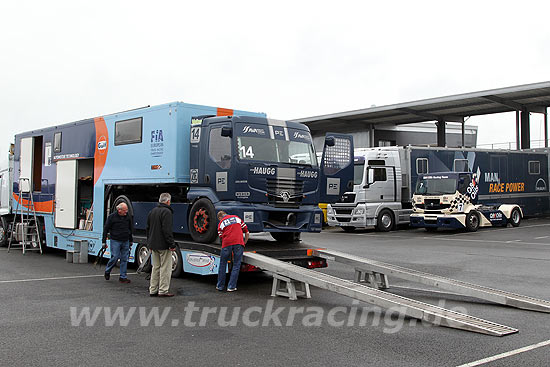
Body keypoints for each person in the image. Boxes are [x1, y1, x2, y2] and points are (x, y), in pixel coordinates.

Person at [146, 193, 176, 297]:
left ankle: (153, 289)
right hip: (163, 244)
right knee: (165, 268)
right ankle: (163, 290)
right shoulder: (167, 212)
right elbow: (167, 230)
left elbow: (148, 228)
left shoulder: (152, 211)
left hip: (153, 244)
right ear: (168, 201)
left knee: (156, 267)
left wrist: (149, 242)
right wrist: (172, 244)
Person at [216, 210, 249, 292]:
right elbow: (247, 232)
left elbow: (220, 236)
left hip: (227, 244)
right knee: (236, 265)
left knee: (223, 265)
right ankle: (231, 287)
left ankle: (220, 286)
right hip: (238, 243)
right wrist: (244, 242)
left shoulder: (221, 223)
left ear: (220, 217)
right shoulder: (237, 218)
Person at [102, 202, 133, 283]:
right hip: (115, 240)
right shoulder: (112, 217)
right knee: (115, 257)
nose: (126, 212)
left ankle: (123, 276)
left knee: (124, 259)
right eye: (125, 210)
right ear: (119, 210)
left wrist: (131, 240)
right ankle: (108, 270)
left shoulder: (128, 217)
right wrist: (103, 241)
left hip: (125, 240)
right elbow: (106, 229)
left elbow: (130, 229)